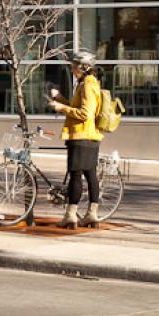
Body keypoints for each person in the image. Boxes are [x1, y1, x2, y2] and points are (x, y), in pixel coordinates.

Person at [46, 51, 105, 227]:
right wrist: (60, 99)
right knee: (90, 174)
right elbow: (76, 107)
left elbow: (84, 114)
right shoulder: (87, 83)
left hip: (81, 136)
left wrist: (59, 108)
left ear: (84, 67)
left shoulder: (87, 85)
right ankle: (91, 215)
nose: (72, 69)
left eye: (75, 66)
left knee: (76, 175)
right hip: (90, 136)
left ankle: (71, 216)